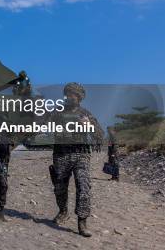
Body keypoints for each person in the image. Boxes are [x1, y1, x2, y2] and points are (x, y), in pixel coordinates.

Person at [50, 82, 103, 237]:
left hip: (81, 155)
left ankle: (82, 221)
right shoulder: (57, 113)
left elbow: (99, 135)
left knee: (83, 186)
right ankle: (63, 211)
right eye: (67, 94)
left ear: (79, 97)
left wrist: (89, 126)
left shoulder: (85, 114)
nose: (70, 97)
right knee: (59, 188)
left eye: (73, 94)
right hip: (61, 154)